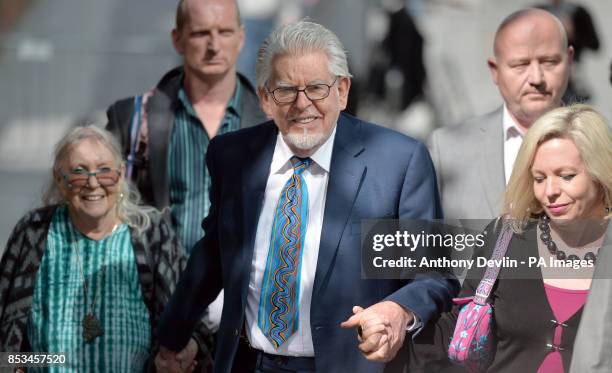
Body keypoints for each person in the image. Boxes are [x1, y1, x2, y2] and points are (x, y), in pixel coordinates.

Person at [153, 20, 458, 373]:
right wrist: (172, 338)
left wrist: (398, 310)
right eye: (285, 90)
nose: (302, 104)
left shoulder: (397, 163)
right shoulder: (232, 156)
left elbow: (432, 274)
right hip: (248, 363)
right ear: (265, 98)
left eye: (316, 88)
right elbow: (214, 255)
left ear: (342, 91)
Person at [408, 104, 612, 372]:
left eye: (566, 176)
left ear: (600, 173)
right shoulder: (507, 236)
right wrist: (400, 319)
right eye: (539, 178)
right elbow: (456, 328)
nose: (550, 191)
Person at [0, 126, 212, 372]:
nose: (93, 183)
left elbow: (197, 321)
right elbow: (6, 352)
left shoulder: (150, 234)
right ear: (60, 179)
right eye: (79, 172)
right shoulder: (34, 233)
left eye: (104, 171)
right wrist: (33, 364)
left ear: (121, 175)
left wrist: (183, 353)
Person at [106, 0, 267, 253]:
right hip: (160, 287)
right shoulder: (133, 119)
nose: (214, 46)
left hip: (240, 289)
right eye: (201, 33)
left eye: (224, 32)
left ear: (241, 38)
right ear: (177, 40)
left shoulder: (272, 122)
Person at [428, 8, 573, 222]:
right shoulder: (447, 150)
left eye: (549, 62)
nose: (536, 77)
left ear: (569, 60)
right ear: (495, 70)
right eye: (520, 65)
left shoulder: (601, 148)